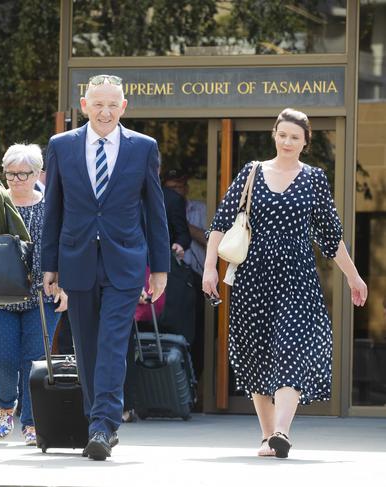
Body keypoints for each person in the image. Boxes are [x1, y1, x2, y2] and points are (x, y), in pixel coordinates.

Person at [202, 108, 368, 459]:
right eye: (283, 134)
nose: (288, 141)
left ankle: (281, 430)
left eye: (296, 137)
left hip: (297, 278)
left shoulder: (314, 179)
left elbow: (331, 236)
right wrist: (209, 269)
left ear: (306, 142)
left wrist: (353, 276)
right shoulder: (251, 172)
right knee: (256, 352)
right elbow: (219, 223)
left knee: (292, 348)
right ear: (274, 135)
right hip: (253, 279)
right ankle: (267, 436)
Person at [42, 74, 170, 461]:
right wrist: (50, 266)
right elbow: (53, 209)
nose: (105, 111)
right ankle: (96, 420)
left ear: (124, 107)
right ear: (84, 106)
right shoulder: (61, 146)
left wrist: (160, 268)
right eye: (98, 104)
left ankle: (102, 425)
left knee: (113, 342)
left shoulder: (142, 148)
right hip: (76, 259)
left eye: (113, 104)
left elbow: (155, 209)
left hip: (126, 261)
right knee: (86, 346)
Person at [0, 143, 68, 446]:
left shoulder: (52, 206)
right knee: (2, 358)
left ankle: (32, 423)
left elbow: (65, 248)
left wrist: (65, 285)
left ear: (38, 174)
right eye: (11, 174)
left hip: (41, 297)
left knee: (35, 361)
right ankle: (6, 406)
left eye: (24, 174)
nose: (17, 179)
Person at [163, 169, 207, 378]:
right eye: (171, 189)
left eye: (179, 187)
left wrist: (184, 225)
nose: (176, 193)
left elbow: (213, 240)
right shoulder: (161, 206)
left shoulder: (201, 209)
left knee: (199, 333)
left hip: (200, 280)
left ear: (186, 188)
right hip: (172, 281)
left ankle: (196, 380)